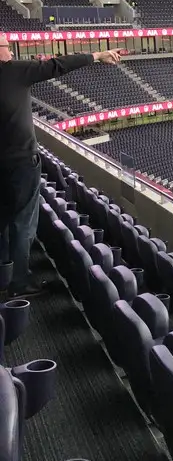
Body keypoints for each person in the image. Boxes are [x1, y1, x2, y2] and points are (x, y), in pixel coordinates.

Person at [0, 44, 126, 295]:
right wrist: (97, 55)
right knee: (23, 223)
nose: (11, 53)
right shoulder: (12, 71)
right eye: (6, 47)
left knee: (4, 219)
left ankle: (4, 269)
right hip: (21, 162)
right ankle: (19, 282)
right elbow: (58, 65)